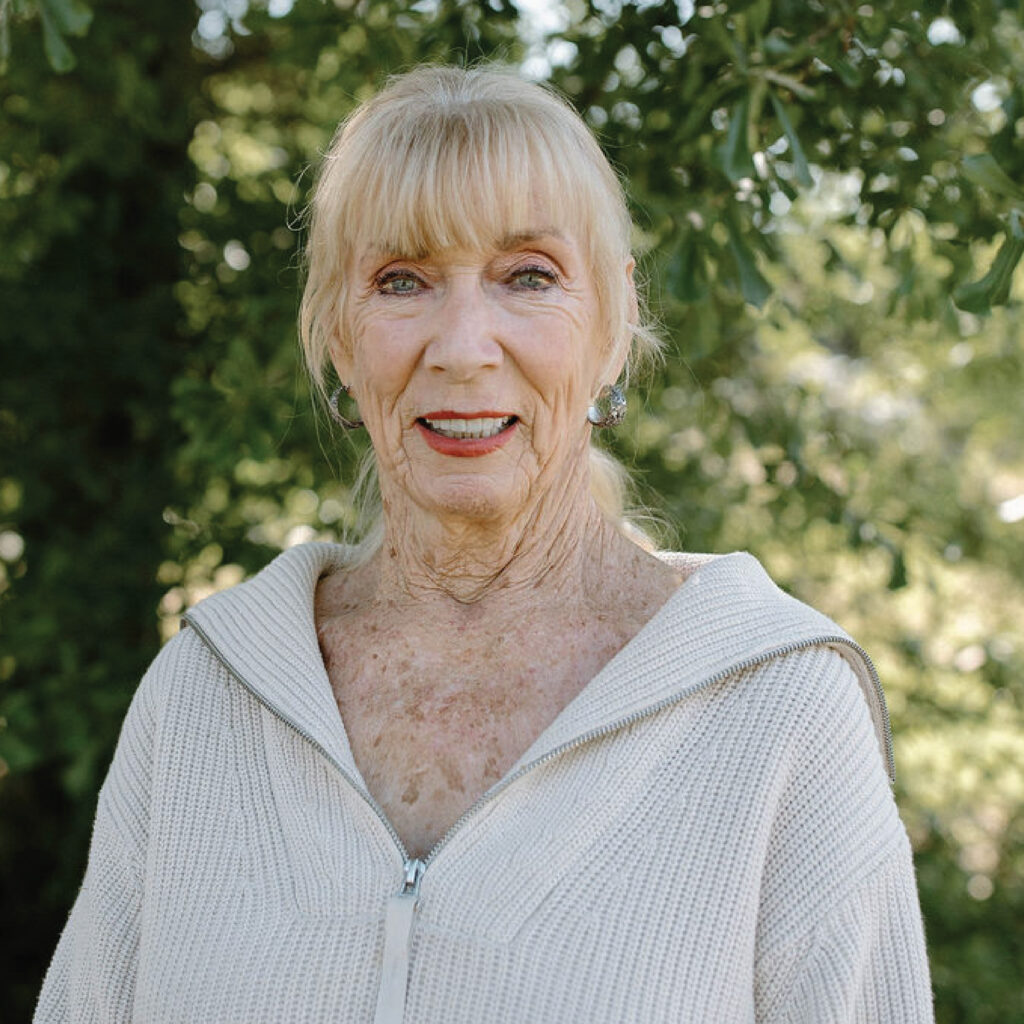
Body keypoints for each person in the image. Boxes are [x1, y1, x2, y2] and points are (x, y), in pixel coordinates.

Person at [36, 65, 934, 1023]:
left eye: (529, 276)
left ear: (615, 322)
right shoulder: (201, 696)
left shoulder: (780, 710)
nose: (463, 346)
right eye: (402, 281)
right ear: (341, 334)